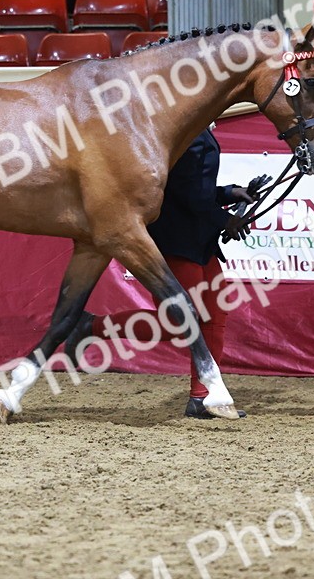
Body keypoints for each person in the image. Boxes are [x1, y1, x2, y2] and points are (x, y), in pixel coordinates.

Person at [64, 126, 260, 420]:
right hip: (176, 239)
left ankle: (202, 397)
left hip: (198, 240)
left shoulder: (197, 130)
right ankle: (91, 327)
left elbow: (196, 189)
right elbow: (187, 194)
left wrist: (231, 192)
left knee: (215, 315)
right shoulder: (190, 134)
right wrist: (225, 219)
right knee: (176, 323)